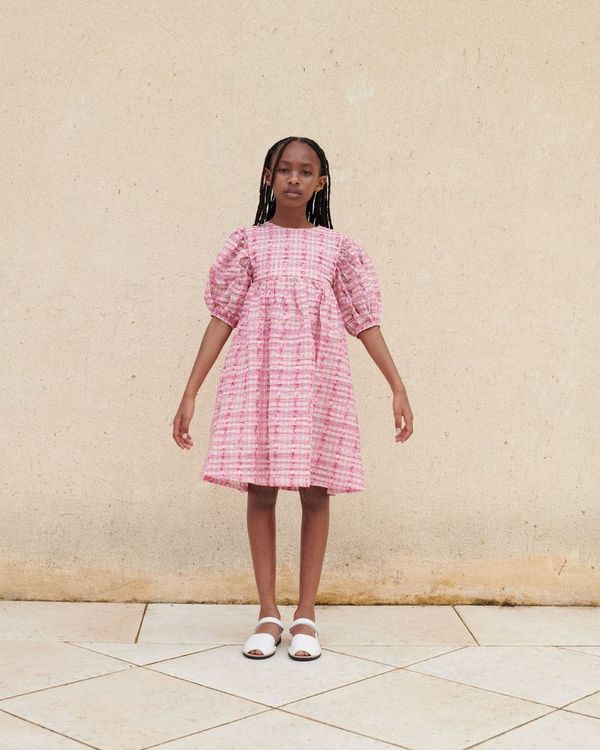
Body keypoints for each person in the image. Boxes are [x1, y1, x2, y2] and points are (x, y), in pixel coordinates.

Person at [173, 136, 413, 661]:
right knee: (260, 490)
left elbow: (363, 320)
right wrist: (191, 390)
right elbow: (222, 318)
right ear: (268, 177)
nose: (294, 179)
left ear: (320, 183)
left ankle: (306, 614)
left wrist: (396, 385)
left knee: (315, 491)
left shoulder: (337, 249)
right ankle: (267, 612)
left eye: (306, 171)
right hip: (259, 379)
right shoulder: (248, 244)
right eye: (285, 169)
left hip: (317, 382)